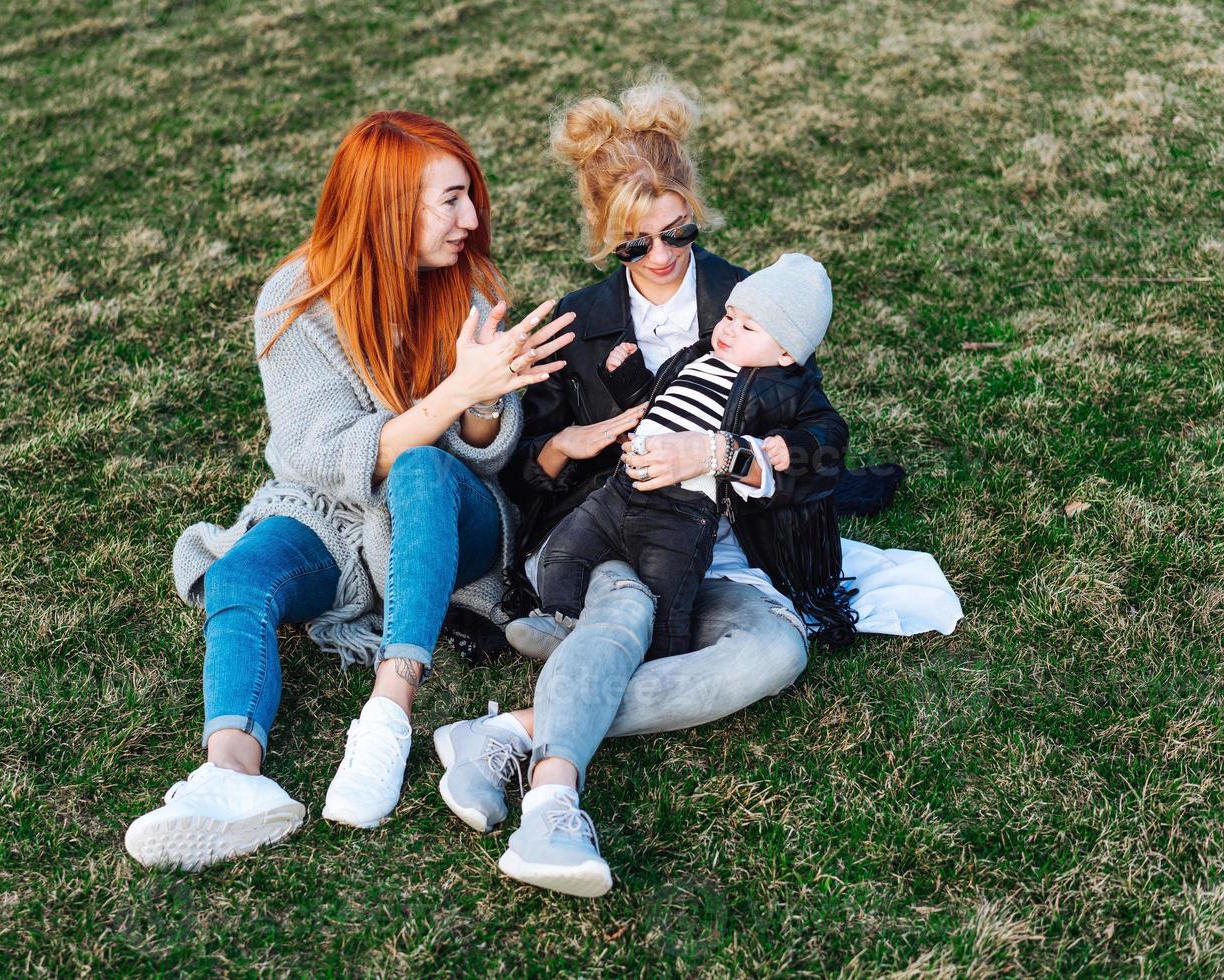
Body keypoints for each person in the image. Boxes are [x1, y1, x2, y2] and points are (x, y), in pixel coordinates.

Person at [432, 79, 876, 897]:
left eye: (678, 233)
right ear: (606, 237)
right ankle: (554, 802)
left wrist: (724, 453)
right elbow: (528, 476)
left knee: (778, 652)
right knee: (628, 609)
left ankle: (508, 732)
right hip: (618, 537)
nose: (664, 257)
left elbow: (821, 450)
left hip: (737, 553)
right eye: (635, 244)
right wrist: (569, 441)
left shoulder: (753, 303)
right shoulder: (572, 322)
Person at [124, 110, 575, 871]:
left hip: (450, 509)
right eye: (452, 200)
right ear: (388, 204)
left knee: (421, 468)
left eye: (471, 199)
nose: (471, 219)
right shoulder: (295, 299)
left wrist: (486, 401)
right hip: (329, 511)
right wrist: (455, 390)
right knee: (239, 573)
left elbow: (488, 458)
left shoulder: (462, 290)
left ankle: (387, 717)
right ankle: (230, 776)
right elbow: (324, 454)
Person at [522, 252, 854, 662]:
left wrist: (794, 444)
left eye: (747, 327)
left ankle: (660, 659)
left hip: (684, 512)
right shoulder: (697, 356)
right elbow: (658, 404)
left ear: (786, 353)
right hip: (621, 490)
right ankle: (559, 622)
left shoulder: (785, 387)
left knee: (668, 593)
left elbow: (829, 434)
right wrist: (626, 379)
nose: (728, 330)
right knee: (566, 550)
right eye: (729, 316)